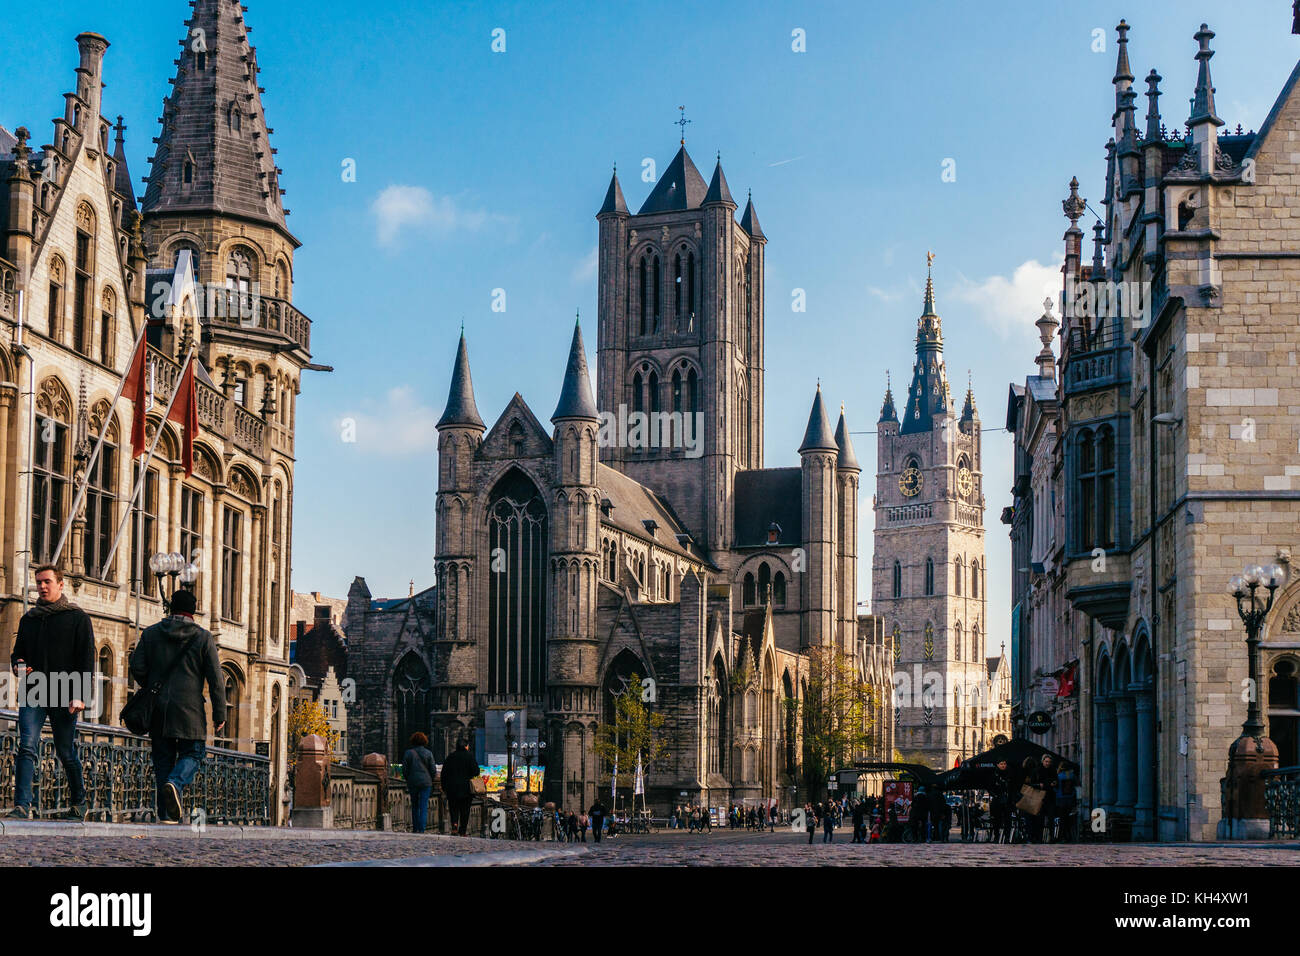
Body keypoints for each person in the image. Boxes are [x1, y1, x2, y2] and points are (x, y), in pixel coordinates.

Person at [128, 587, 225, 824]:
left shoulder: (150, 634)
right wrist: (220, 713)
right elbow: (216, 679)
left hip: (158, 709)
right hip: (190, 710)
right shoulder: (203, 637)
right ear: (193, 612)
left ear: (171, 608)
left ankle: (166, 814)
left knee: (163, 758)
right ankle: (176, 782)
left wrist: (153, 686)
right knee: (194, 752)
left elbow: (137, 666)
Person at [7, 565, 95, 821]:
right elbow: (17, 653)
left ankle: (79, 803)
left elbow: (86, 659)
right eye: (38, 582)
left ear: (60, 584)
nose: (42, 587)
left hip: (65, 692)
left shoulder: (77, 618)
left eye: (47, 582)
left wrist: (80, 695)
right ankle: (22, 805)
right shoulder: (29, 619)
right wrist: (18, 665)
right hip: (33, 691)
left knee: (66, 751)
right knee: (26, 746)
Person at [439, 738, 480, 836]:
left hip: (452, 789)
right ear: (466, 746)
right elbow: (476, 772)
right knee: (465, 810)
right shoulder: (470, 757)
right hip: (466, 789)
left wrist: (444, 787)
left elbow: (444, 774)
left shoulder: (450, 757)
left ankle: (454, 826)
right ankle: (463, 830)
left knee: (454, 808)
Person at [402, 732, 436, 834]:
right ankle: (422, 828)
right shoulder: (428, 753)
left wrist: (409, 779)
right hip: (426, 783)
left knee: (415, 805)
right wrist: (431, 779)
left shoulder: (408, 753)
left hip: (413, 782)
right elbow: (433, 769)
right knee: (423, 805)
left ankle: (415, 828)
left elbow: (404, 769)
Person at [1022, 753, 1058, 844]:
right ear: (1042, 761)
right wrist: (1039, 785)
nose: (1047, 763)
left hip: (1050, 796)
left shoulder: (1053, 770)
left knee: (1051, 818)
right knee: (1039, 819)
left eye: (1049, 762)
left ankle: (1051, 837)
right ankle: (1039, 837)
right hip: (1039, 797)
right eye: (1046, 761)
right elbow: (1031, 784)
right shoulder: (1037, 771)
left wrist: (1054, 783)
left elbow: (1056, 781)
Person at [1056, 762, 1079, 843]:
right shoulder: (1072, 775)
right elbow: (1077, 785)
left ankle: (1062, 837)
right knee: (1069, 820)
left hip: (1060, 800)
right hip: (1070, 800)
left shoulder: (1058, 776)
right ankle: (1069, 837)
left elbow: (1056, 788)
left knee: (1062, 819)